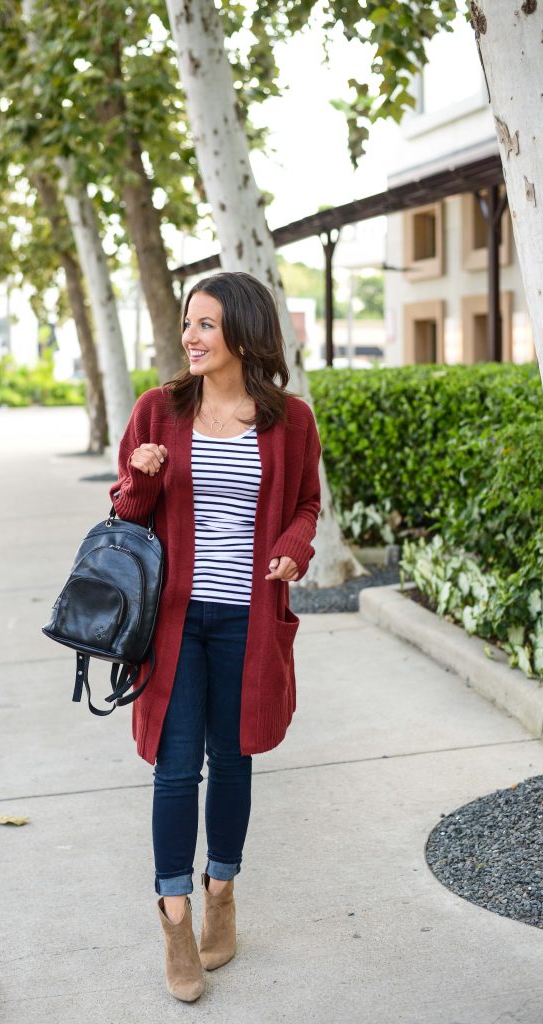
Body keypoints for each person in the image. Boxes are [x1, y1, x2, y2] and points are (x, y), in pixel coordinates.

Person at [110, 271, 321, 1002]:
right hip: (172, 623)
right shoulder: (157, 411)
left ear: (242, 332)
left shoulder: (290, 419)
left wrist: (295, 545)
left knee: (232, 762)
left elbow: (305, 505)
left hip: (247, 617)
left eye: (205, 325)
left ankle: (221, 891)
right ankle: (175, 918)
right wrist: (139, 479)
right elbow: (126, 519)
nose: (190, 338)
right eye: (187, 325)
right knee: (176, 768)